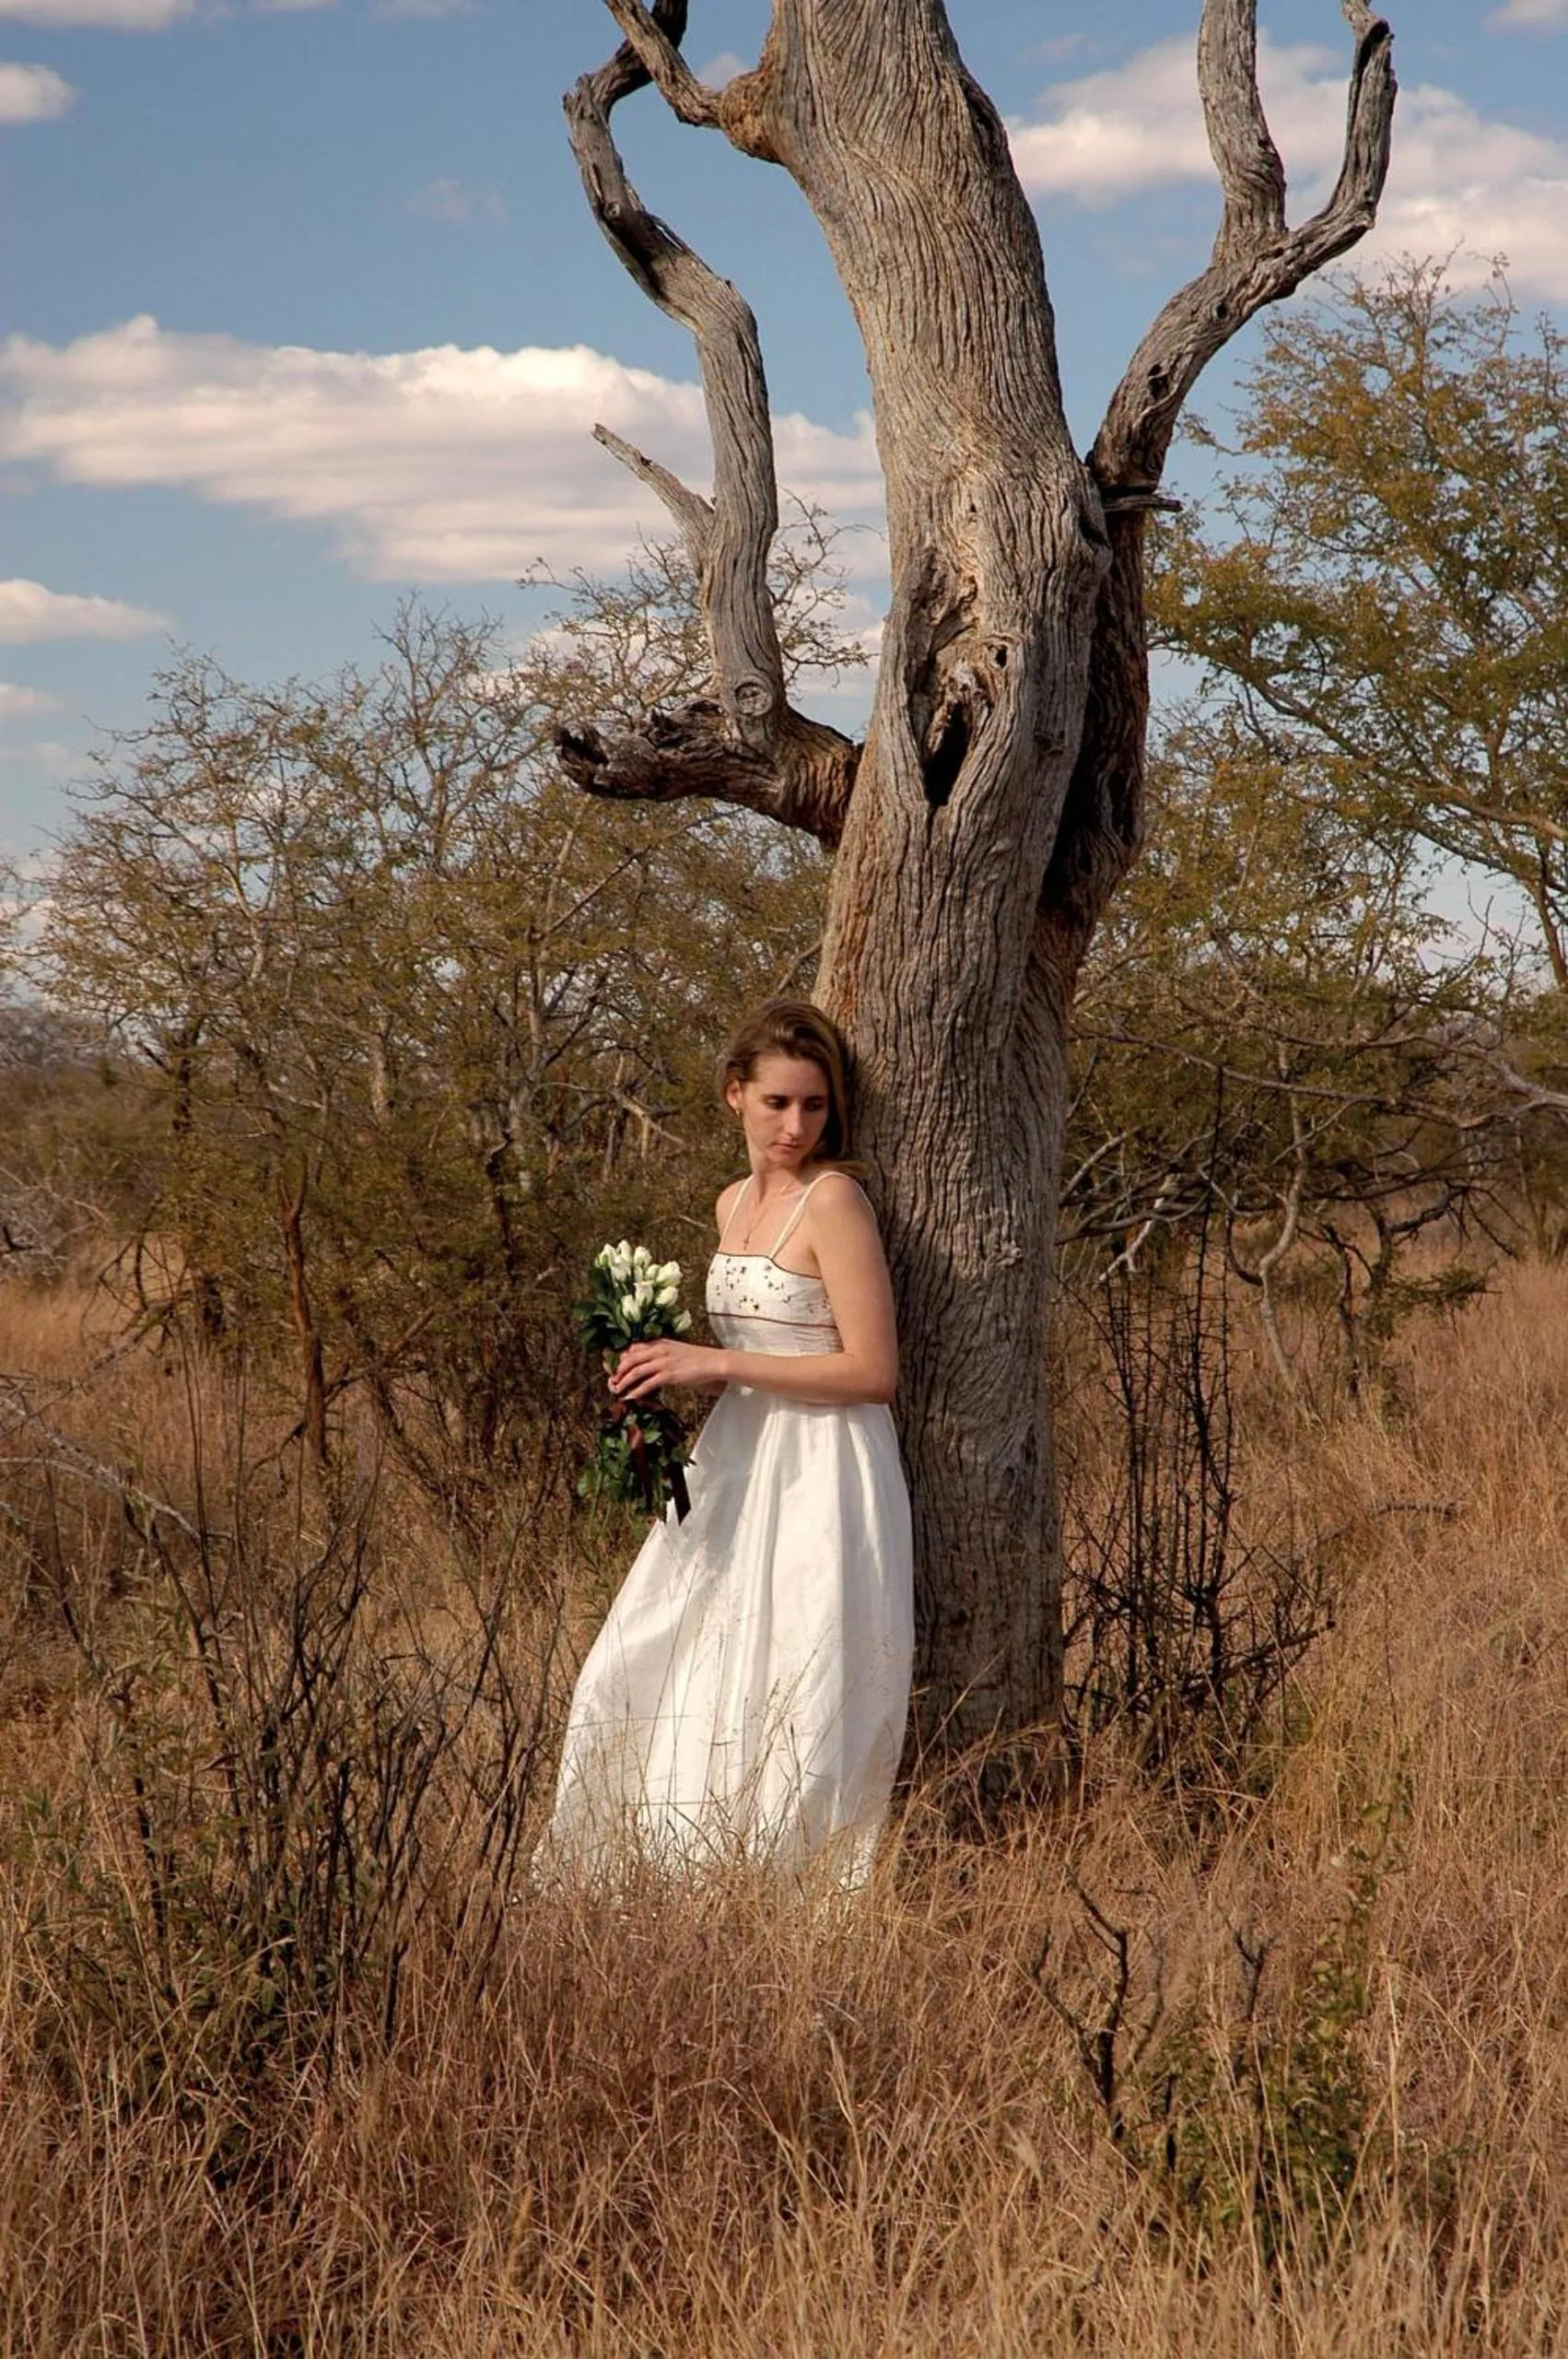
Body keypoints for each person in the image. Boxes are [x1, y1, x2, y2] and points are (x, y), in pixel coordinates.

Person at [549, 1000, 914, 1882]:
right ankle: (665, 1875)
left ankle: (791, 1893)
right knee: (664, 1649)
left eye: (815, 1107)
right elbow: (746, 1352)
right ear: (733, 1097)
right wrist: (660, 1371)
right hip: (738, 1457)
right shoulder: (733, 1201)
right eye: (778, 1103)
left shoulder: (836, 1203)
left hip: (825, 1469)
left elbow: (873, 1371)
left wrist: (712, 1360)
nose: (796, 1125)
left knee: (801, 1676)